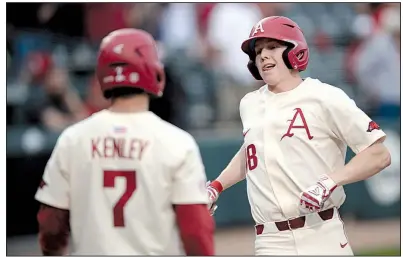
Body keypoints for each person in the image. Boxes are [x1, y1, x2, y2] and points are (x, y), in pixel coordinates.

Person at [206, 16, 391, 255]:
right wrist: (217, 186)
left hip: (321, 232)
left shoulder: (324, 96)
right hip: (269, 241)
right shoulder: (250, 103)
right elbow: (253, 149)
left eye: (272, 47)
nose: (263, 55)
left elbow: (379, 154)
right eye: (258, 50)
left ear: (295, 51)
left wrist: (330, 182)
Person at [34, 28, 215, 255]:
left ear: (102, 77)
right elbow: (195, 232)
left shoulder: (73, 138)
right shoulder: (177, 142)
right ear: (155, 73)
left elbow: (51, 224)